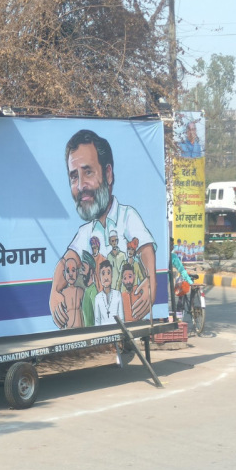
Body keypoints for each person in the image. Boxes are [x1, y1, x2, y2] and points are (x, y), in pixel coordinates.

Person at [49, 129, 156, 329]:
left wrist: (150, 283)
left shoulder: (127, 216)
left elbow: (146, 249)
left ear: (107, 174)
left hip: (124, 309)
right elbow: (67, 260)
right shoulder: (86, 231)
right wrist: (55, 291)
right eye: (74, 176)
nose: (81, 185)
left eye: (88, 172)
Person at [94, 260, 124, 326]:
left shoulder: (118, 294)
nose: (106, 277)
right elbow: (97, 320)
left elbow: (121, 319)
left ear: (112, 275)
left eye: (108, 273)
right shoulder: (97, 297)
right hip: (103, 333)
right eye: (103, 273)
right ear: (100, 277)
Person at [60, 257, 84, 328]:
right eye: (68, 271)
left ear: (77, 272)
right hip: (68, 330)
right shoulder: (63, 293)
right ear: (64, 274)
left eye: (73, 270)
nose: (70, 274)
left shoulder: (80, 291)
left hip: (81, 330)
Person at [79, 251, 98, 327]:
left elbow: (97, 318)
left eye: (83, 269)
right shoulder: (87, 290)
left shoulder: (93, 292)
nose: (81, 272)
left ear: (91, 272)